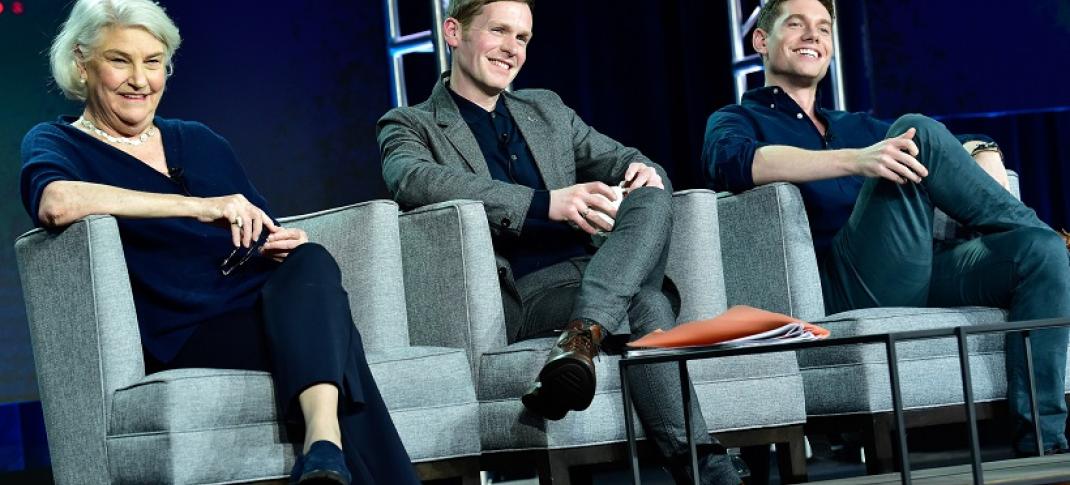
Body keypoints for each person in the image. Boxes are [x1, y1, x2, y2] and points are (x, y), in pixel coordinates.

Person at [19, 1, 420, 483]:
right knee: (336, 342)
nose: (140, 80)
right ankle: (330, 449)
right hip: (183, 331)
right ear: (83, 65)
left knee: (311, 259)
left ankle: (323, 447)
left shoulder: (199, 139)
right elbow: (57, 202)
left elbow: (261, 226)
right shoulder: (58, 143)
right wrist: (200, 206)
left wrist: (278, 242)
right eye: (119, 60)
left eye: (152, 62)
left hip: (254, 302)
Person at [378, 1, 743, 482]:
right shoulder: (411, 123)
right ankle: (704, 464)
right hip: (530, 292)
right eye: (499, 32)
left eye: (523, 38)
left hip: (600, 267)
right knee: (647, 305)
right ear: (453, 32)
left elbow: (625, 157)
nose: (511, 49)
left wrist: (637, 171)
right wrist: (544, 203)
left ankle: (581, 340)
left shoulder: (545, 108)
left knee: (654, 192)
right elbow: (413, 180)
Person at [702, 0, 1070, 456]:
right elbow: (734, 165)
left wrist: (983, 145)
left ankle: (1045, 439)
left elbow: (950, 150)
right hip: (841, 284)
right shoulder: (738, 119)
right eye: (796, 25)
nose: (812, 35)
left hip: (914, 270)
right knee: (915, 130)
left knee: (1038, 252)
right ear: (761, 40)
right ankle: (1055, 236)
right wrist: (857, 160)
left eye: (822, 28)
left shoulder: (854, 124)